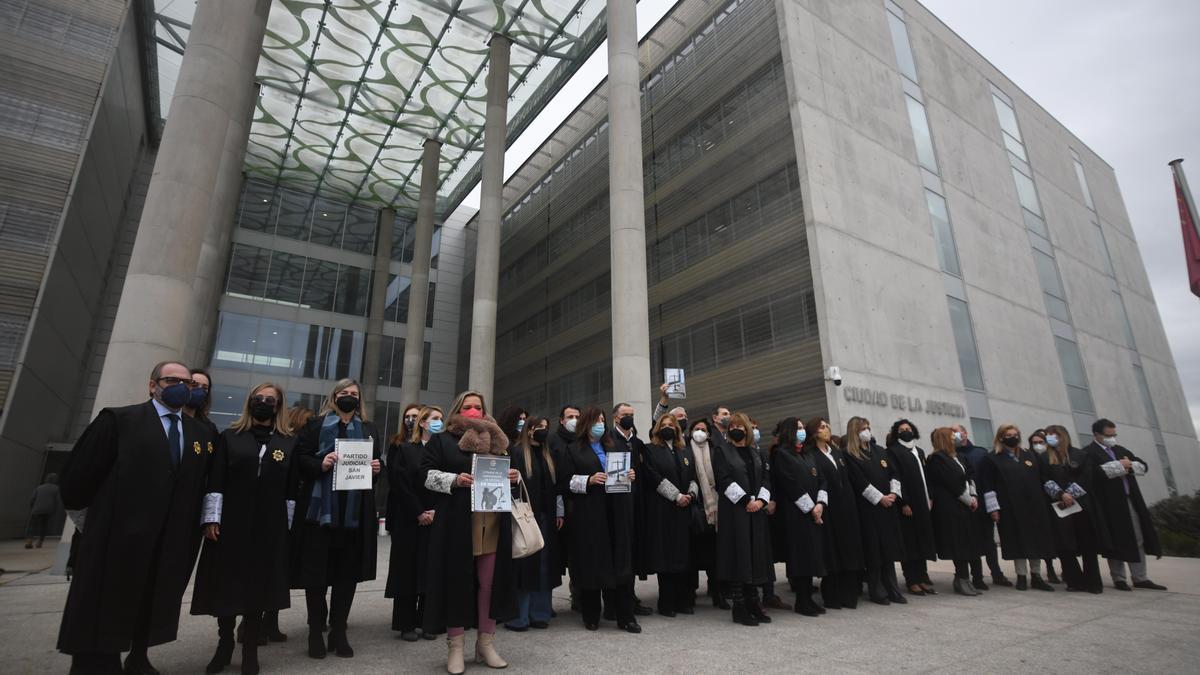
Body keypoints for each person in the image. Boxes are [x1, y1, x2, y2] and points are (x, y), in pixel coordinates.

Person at [57, 361, 214, 675]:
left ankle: (138, 657)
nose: (183, 387)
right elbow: (76, 483)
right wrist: (100, 526)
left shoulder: (198, 433)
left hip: (167, 542)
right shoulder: (119, 420)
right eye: (172, 380)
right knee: (103, 611)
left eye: (190, 384)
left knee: (147, 604)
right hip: (115, 540)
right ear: (153, 385)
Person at [193, 383, 298, 675]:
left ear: (278, 407)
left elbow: (291, 491)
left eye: (270, 400)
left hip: (268, 527)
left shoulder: (288, 442)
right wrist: (211, 519)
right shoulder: (230, 437)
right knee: (226, 588)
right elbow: (216, 480)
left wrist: (285, 528)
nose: (264, 403)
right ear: (250, 402)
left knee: (257, 590)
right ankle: (224, 643)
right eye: (258, 398)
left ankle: (250, 647)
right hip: (231, 526)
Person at [421, 391, 519, 673]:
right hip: (457, 524)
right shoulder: (443, 441)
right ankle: (456, 646)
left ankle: (485, 644)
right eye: (468, 407)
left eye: (478, 406)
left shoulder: (499, 441)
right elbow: (425, 475)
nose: (474, 411)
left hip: (492, 524)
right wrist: (454, 480)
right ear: (458, 410)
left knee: (489, 585)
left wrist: (515, 476)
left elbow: (510, 476)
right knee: (457, 583)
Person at [291, 378, 382, 659]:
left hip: (354, 514)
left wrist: (378, 468)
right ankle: (315, 629)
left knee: (347, 575)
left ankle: (339, 630)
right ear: (333, 397)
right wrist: (321, 463)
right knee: (316, 574)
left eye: (354, 394)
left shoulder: (368, 429)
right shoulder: (315, 426)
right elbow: (300, 460)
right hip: (320, 514)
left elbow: (375, 465)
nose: (349, 397)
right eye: (344, 393)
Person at [560, 405, 641, 633]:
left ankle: (625, 616)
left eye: (603, 420)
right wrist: (588, 480)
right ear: (587, 423)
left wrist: (631, 474)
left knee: (622, 563)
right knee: (593, 564)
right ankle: (591, 614)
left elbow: (628, 470)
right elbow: (564, 483)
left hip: (618, 511)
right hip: (591, 515)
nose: (600, 424)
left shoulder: (613, 445)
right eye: (596, 420)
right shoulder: (573, 450)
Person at [1082, 418, 1166, 591]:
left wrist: (1128, 465)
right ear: (1097, 435)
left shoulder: (1120, 450)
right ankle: (1119, 578)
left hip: (1130, 499)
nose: (1112, 438)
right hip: (1110, 504)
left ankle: (1140, 576)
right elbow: (1093, 475)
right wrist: (1119, 466)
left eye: (1114, 435)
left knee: (1138, 537)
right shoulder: (1089, 453)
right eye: (1108, 435)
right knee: (1115, 539)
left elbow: (1142, 466)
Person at [385, 405, 443, 641]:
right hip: (410, 519)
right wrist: (419, 512)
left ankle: (426, 621)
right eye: (435, 419)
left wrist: (436, 512)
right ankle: (406, 623)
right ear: (423, 422)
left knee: (430, 571)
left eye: (441, 418)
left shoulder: (443, 451)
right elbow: (400, 485)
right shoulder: (406, 449)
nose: (439, 422)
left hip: (436, 518)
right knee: (407, 571)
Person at [712, 412, 773, 626]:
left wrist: (761, 502)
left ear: (747, 429)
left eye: (740, 425)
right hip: (735, 511)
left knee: (755, 555)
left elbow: (766, 479)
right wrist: (746, 500)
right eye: (733, 425)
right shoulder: (722, 450)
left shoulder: (756, 453)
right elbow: (723, 479)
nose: (736, 428)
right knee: (740, 555)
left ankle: (753, 601)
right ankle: (739, 605)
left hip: (756, 512)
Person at [977, 424, 1055, 591]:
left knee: (1036, 540)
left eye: (1015, 434)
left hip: (1034, 506)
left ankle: (1036, 575)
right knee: (1017, 540)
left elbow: (1042, 479)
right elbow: (988, 485)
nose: (1013, 437)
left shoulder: (1029, 455)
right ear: (1001, 437)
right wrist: (993, 509)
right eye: (1008, 435)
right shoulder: (992, 458)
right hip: (1010, 507)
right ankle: (1021, 575)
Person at [505, 416, 564, 631]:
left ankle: (541, 613)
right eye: (539, 427)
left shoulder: (548, 454)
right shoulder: (518, 452)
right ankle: (519, 616)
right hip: (526, 516)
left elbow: (556, 487)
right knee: (524, 563)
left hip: (547, 516)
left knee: (544, 565)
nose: (543, 431)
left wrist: (559, 513)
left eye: (545, 428)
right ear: (529, 430)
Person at [842, 416, 906, 605]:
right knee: (874, 552)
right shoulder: (850, 454)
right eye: (863, 428)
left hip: (889, 508)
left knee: (889, 551)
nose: (867, 431)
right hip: (869, 510)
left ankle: (893, 589)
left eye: (868, 427)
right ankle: (876, 590)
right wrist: (880, 498)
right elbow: (859, 481)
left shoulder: (879, 451)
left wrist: (894, 494)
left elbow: (894, 473)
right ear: (855, 431)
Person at [1040, 425, 1110, 594]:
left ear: (1061, 436)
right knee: (1065, 544)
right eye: (1047, 435)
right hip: (1060, 506)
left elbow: (1086, 477)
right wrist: (1059, 494)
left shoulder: (1080, 455)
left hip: (1081, 505)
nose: (1049, 438)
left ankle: (1093, 582)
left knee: (1087, 544)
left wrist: (1071, 493)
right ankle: (1074, 580)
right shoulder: (1044, 458)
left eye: (1052, 435)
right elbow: (1044, 479)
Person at [640, 414, 698, 617]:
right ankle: (666, 603)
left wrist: (690, 494)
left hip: (684, 510)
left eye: (671, 425)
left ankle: (682, 601)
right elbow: (653, 476)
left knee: (683, 556)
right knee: (666, 558)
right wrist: (676, 496)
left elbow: (694, 477)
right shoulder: (650, 450)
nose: (667, 428)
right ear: (657, 428)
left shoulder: (684, 450)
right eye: (663, 425)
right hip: (663, 510)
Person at [771, 417, 828, 617]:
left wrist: (820, 504)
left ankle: (809, 598)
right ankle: (802, 601)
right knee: (801, 557)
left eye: (803, 428)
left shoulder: (807, 454)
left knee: (812, 556)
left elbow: (821, 480)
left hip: (814, 514)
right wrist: (811, 509)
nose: (802, 431)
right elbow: (790, 485)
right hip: (796, 515)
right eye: (799, 428)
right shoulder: (782, 455)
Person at [806, 417, 864, 610]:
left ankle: (849, 594)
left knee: (848, 550)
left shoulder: (837, 452)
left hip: (847, 509)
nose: (827, 429)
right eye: (822, 427)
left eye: (827, 426)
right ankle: (832, 595)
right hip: (828, 510)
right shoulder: (811, 454)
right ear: (814, 432)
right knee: (832, 552)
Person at [952, 423, 1012, 589]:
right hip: (965, 504)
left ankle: (997, 574)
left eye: (956, 432)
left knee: (989, 543)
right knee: (970, 543)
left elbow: (989, 481)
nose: (954, 435)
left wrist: (992, 506)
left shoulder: (981, 453)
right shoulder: (951, 454)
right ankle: (976, 577)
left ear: (964, 433)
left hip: (983, 505)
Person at [924, 427, 980, 597]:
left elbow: (970, 475)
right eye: (951, 436)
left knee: (967, 541)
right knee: (958, 543)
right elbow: (951, 483)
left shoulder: (960, 457)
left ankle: (965, 578)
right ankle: (962, 578)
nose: (955, 437)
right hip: (950, 507)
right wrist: (968, 499)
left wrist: (973, 494)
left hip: (965, 504)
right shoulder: (936, 459)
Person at [610, 402, 653, 617]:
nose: (629, 418)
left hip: (636, 503)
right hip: (617, 506)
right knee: (620, 554)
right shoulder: (608, 440)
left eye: (632, 415)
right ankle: (617, 603)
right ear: (616, 418)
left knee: (634, 554)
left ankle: (631, 598)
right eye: (625, 414)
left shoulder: (636, 443)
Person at [886, 419, 937, 596]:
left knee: (923, 540)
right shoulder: (893, 452)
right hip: (908, 505)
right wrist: (904, 502)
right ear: (896, 432)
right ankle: (912, 580)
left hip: (923, 503)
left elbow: (928, 477)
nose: (906, 431)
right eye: (902, 429)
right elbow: (896, 478)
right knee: (910, 543)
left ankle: (922, 577)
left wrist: (930, 496)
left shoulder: (919, 451)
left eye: (908, 429)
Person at [687, 418, 726, 609]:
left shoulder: (716, 451)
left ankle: (717, 592)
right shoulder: (685, 450)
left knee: (715, 554)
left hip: (715, 507)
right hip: (695, 505)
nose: (700, 432)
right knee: (694, 553)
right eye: (696, 429)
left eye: (703, 429)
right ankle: (690, 592)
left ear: (709, 434)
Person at [1028, 429, 1061, 584]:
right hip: (1037, 501)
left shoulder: (1053, 457)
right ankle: (1048, 569)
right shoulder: (1028, 457)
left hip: (1055, 499)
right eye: (1035, 443)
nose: (1038, 445)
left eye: (1041, 442)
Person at [25, 473, 60, 549]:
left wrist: (33, 508)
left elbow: (32, 499)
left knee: (32, 526)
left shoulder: (39, 488)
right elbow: (57, 501)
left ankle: (29, 541)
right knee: (43, 526)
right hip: (48, 510)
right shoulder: (56, 488)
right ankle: (39, 543)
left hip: (36, 510)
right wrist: (55, 511)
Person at [186, 368, 218, 437]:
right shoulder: (172, 419)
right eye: (194, 385)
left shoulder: (209, 428)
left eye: (205, 388)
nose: (199, 389)